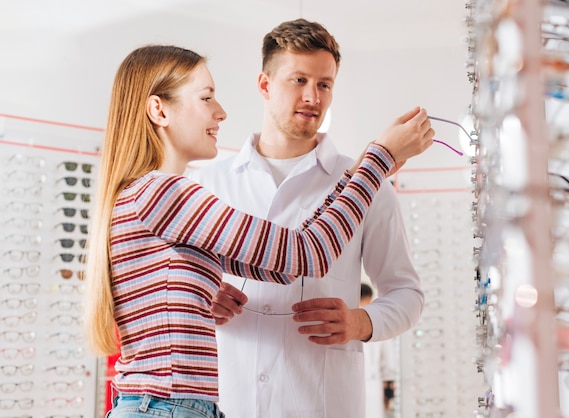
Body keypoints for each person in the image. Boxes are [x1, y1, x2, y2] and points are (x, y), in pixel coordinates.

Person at [82, 44, 434, 418]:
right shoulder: (168, 193)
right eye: (206, 97)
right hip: (168, 407)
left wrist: (353, 176)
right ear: (159, 110)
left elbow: (282, 268)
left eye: (324, 84)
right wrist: (380, 160)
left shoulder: (152, 194)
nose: (221, 112)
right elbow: (306, 254)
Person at [189, 19, 427, 417]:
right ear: (265, 85)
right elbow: (177, 284)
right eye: (298, 80)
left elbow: (407, 294)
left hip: (320, 403)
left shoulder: (368, 186)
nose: (312, 97)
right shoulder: (206, 183)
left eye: (324, 84)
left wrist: (360, 322)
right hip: (225, 400)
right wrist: (202, 296)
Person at [360, 283, 399, 418]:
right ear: (368, 299)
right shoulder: (379, 322)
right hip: (372, 383)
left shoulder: (345, 321)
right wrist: (389, 384)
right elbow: (390, 361)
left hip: (350, 383)